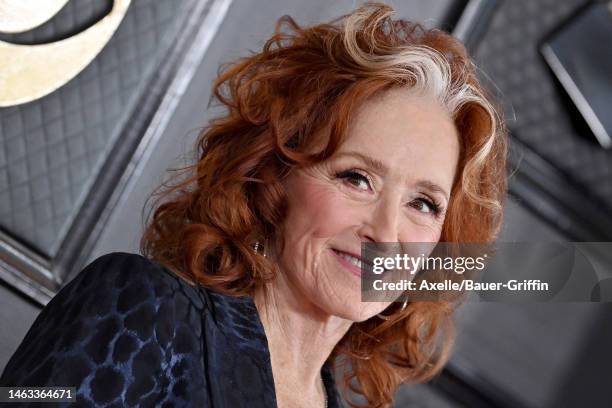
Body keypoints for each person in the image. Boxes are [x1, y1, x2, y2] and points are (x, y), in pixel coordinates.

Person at [0, 3, 507, 407]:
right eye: (357, 178)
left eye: (423, 203)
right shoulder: (143, 310)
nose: (386, 231)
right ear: (275, 176)